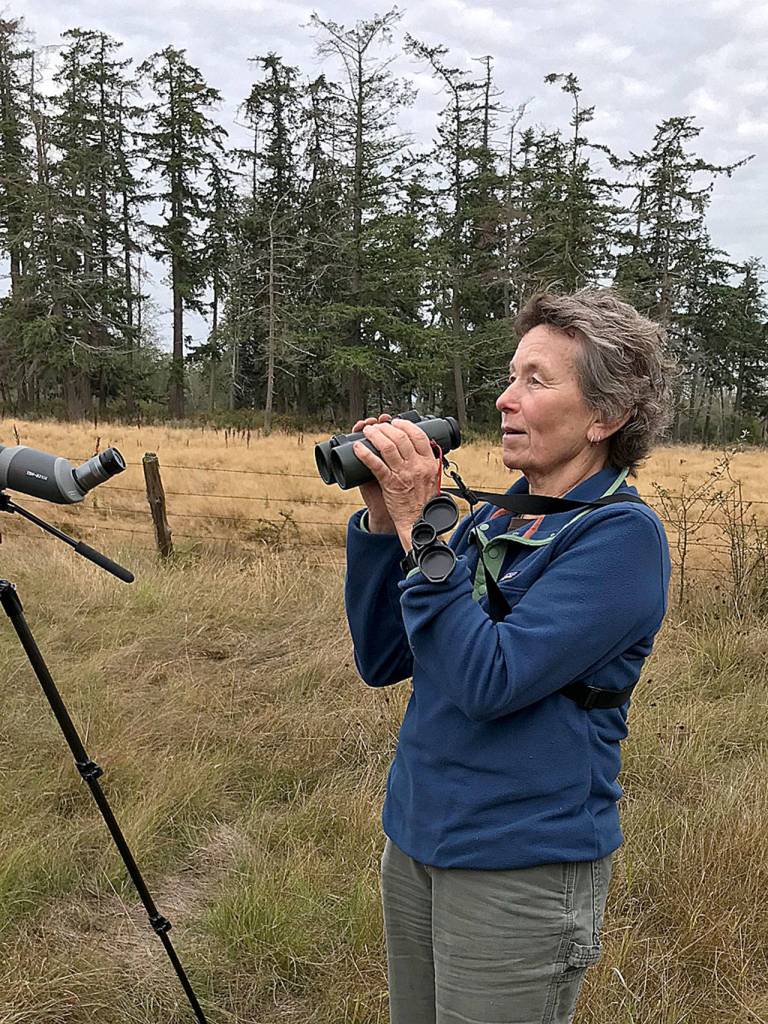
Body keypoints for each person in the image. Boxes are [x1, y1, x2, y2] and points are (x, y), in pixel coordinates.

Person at [342, 288, 676, 1024]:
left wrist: (422, 532)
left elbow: (488, 679)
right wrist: (380, 514)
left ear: (605, 416)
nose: (504, 399)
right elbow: (382, 653)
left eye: (535, 380)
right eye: (510, 375)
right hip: (421, 835)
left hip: (521, 861)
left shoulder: (622, 540)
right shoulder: (497, 509)